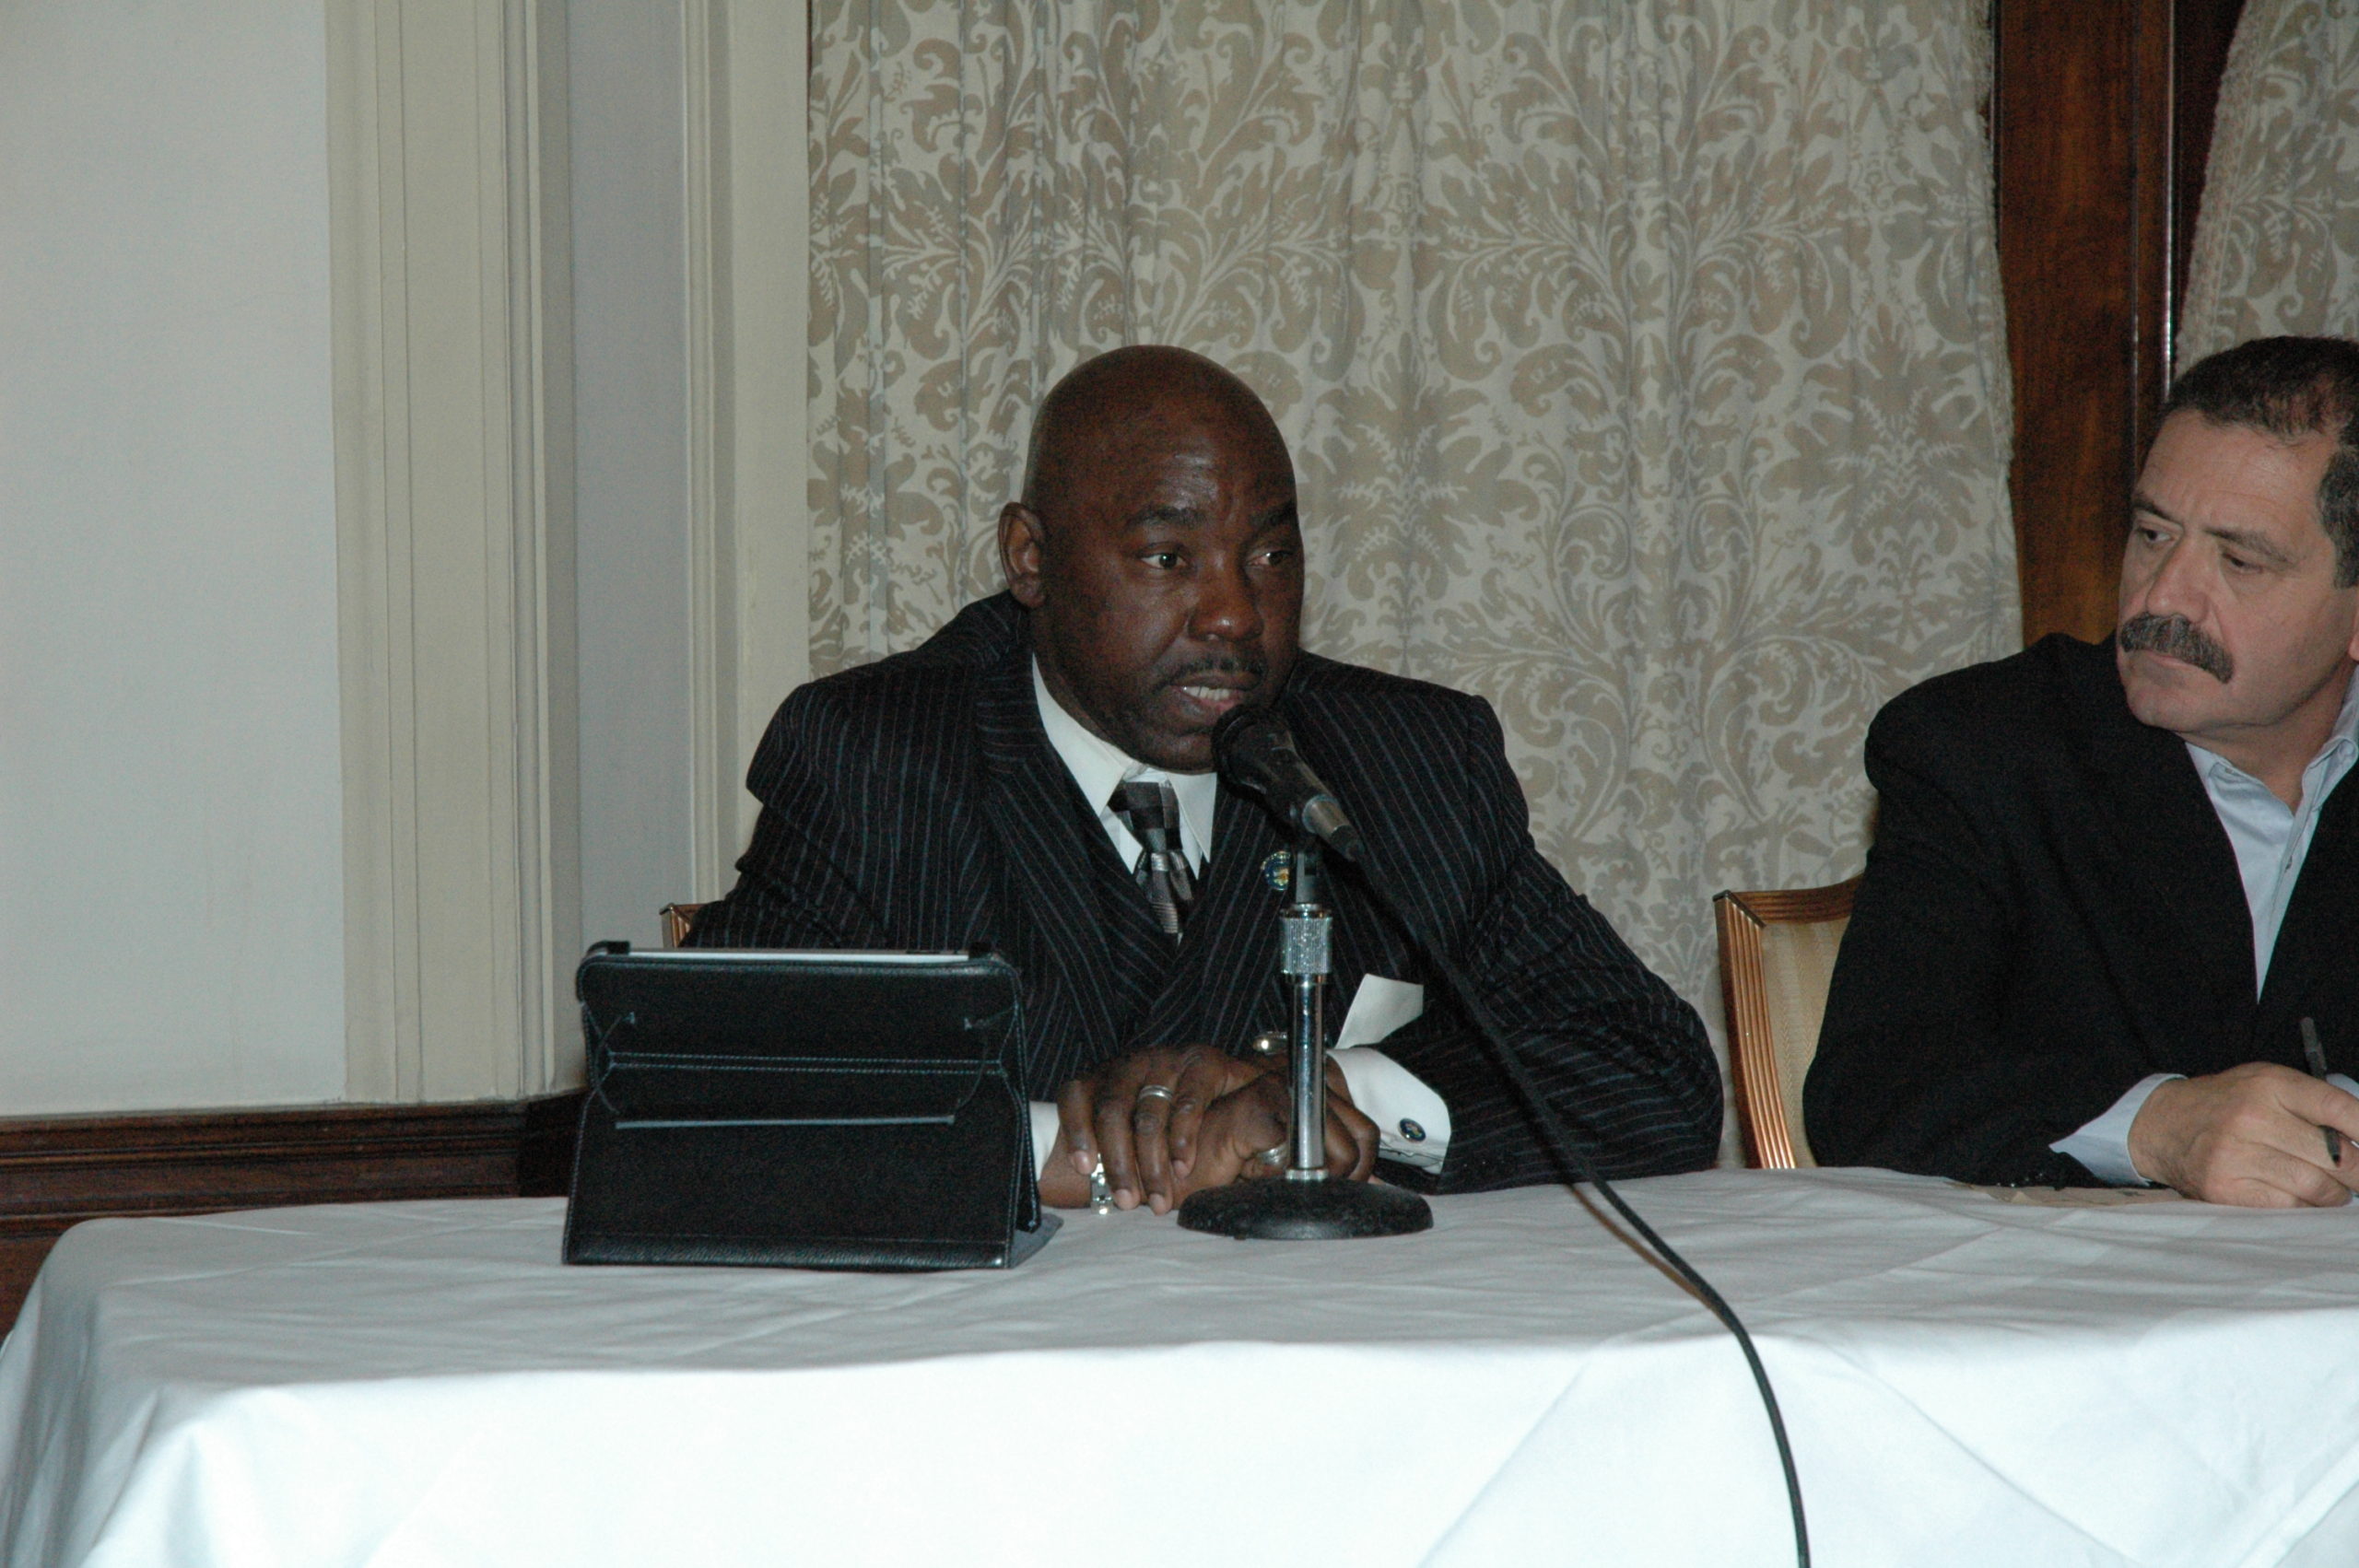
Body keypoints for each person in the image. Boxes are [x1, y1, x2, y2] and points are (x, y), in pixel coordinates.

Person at [690, 345, 1720, 1210]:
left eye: (1270, 557)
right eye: (1168, 559)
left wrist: (1311, 1098)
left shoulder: (1399, 759)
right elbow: (706, 1095)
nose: (1234, 613)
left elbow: (1653, 1072)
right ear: (1030, 558)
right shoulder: (881, 757)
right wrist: (1075, 1156)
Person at [1806, 335, 2359, 1206]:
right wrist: (2158, 1126)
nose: (2163, 596)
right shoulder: (1984, 749)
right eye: (2152, 534)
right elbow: (1874, 1090)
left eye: (2239, 561)